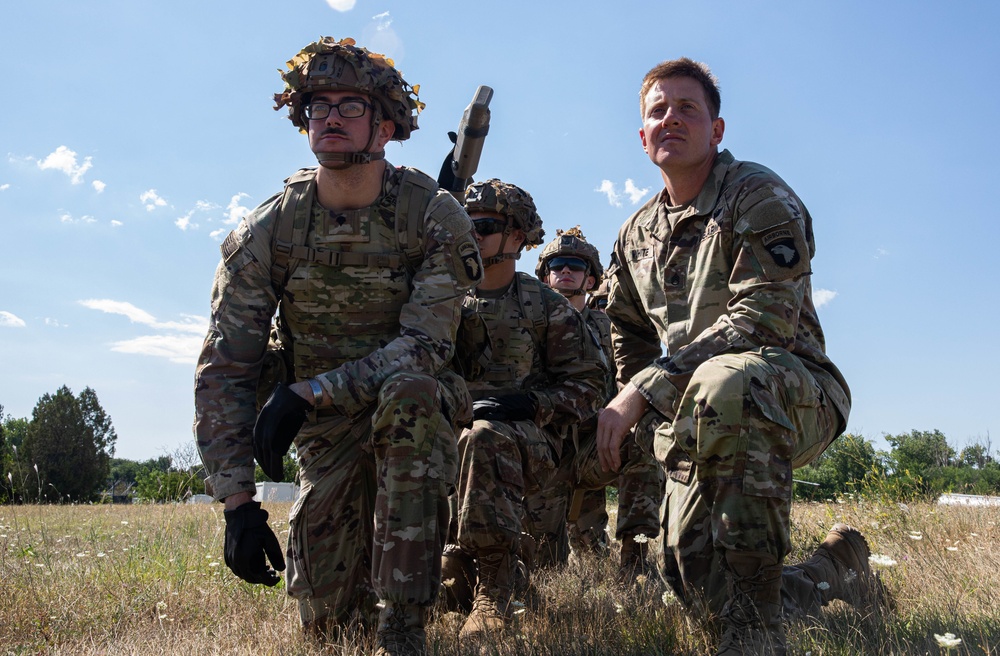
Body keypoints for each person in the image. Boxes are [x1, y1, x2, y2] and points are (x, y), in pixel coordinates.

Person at [193, 36, 483, 656]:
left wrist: (312, 391)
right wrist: (239, 506)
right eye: (318, 105)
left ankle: (405, 626)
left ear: (385, 125)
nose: (329, 116)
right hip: (321, 428)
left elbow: (425, 348)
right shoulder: (272, 227)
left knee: (410, 393)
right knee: (328, 624)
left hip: (410, 406)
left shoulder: (432, 215)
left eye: (350, 105)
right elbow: (227, 365)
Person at [596, 58, 885, 655]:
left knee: (730, 380)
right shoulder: (636, 234)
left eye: (687, 109)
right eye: (658, 111)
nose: (671, 119)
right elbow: (624, 322)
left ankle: (756, 638)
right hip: (696, 411)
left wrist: (644, 389)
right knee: (696, 586)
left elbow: (764, 319)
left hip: (790, 389)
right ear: (642, 134)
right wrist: (639, 402)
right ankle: (834, 570)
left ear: (717, 130)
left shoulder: (758, 194)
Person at [441, 180, 607, 640]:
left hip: (528, 447)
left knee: (485, 436)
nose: (472, 235)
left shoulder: (546, 307)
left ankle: (496, 588)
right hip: (451, 440)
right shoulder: (444, 300)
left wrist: (532, 403)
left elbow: (590, 388)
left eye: (486, 227)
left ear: (517, 237)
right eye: (465, 226)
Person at [524, 228, 664, 577]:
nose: (566, 271)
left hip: (594, 446)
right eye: (558, 265)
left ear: (591, 278)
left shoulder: (611, 329)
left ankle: (636, 564)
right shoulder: (524, 320)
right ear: (544, 274)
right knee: (546, 566)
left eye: (576, 265)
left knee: (643, 439)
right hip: (543, 454)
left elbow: (634, 380)